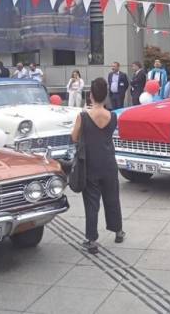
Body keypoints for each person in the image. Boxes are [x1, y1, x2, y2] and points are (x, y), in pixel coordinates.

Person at [71, 77, 125, 254]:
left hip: (90, 164)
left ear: (91, 95)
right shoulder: (113, 116)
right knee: (112, 198)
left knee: (92, 203)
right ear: (106, 95)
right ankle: (118, 231)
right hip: (109, 162)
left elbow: (74, 137)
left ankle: (91, 240)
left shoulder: (83, 116)